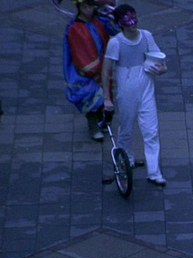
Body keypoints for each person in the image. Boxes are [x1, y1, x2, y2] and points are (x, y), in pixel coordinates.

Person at [101, 4, 168, 186]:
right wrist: (107, 98)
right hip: (127, 89)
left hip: (146, 87)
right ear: (120, 24)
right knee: (126, 128)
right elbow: (106, 70)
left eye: (134, 18)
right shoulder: (116, 43)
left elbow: (159, 58)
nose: (132, 24)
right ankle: (126, 158)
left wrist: (162, 69)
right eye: (127, 20)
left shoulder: (146, 36)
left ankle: (154, 172)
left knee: (151, 131)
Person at [63, 0, 112, 142]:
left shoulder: (99, 21)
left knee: (103, 97)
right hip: (83, 71)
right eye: (85, 6)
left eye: (90, 5)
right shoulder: (75, 28)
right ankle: (93, 125)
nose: (88, 9)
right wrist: (94, 69)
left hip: (101, 66)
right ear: (79, 7)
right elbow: (79, 54)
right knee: (90, 99)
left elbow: (113, 31)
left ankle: (101, 120)